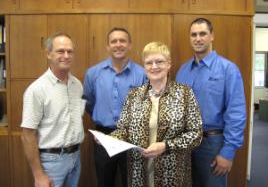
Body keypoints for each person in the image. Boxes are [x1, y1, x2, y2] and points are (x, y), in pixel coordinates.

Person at [110, 41, 203, 187]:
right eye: (149, 63)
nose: (154, 67)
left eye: (159, 61)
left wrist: (166, 145)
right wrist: (109, 138)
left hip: (172, 173)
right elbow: (123, 129)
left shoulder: (184, 93)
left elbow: (196, 134)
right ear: (144, 66)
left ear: (169, 64)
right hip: (139, 171)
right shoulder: (133, 95)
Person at [176, 18, 247, 187]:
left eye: (203, 34)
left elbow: (236, 113)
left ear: (212, 36)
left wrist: (228, 152)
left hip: (213, 144)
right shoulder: (183, 70)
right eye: (193, 34)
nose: (198, 38)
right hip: (185, 143)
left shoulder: (228, 69)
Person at [83, 27, 146, 187]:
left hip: (132, 136)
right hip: (103, 137)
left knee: (132, 182)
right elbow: (89, 103)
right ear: (108, 46)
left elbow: (147, 107)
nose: (118, 44)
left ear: (130, 45)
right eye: (114, 41)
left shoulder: (142, 74)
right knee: (104, 182)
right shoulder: (93, 73)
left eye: (122, 41)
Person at [21, 32, 85, 187]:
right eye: (60, 51)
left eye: (70, 51)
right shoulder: (37, 89)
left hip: (75, 158)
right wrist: (39, 175)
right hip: (51, 163)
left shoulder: (77, 85)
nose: (66, 55)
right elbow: (27, 134)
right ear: (48, 54)